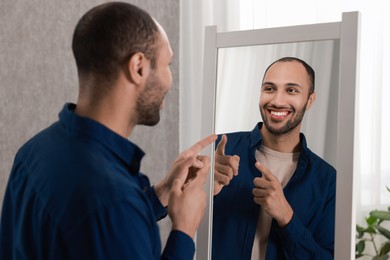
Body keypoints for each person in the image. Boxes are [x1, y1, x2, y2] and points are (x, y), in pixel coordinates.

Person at [0, 2, 217, 259]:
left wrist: (163, 192)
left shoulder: (34, 152)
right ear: (138, 67)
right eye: (167, 64)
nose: (170, 79)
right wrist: (184, 230)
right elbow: (109, 216)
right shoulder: (113, 201)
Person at [212, 57, 336, 259]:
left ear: (310, 100)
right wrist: (205, 190)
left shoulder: (328, 180)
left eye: (292, 90)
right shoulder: (220, 149)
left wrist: (287, 218)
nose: (277, 101)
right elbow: (174, 216)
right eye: (269, 89)